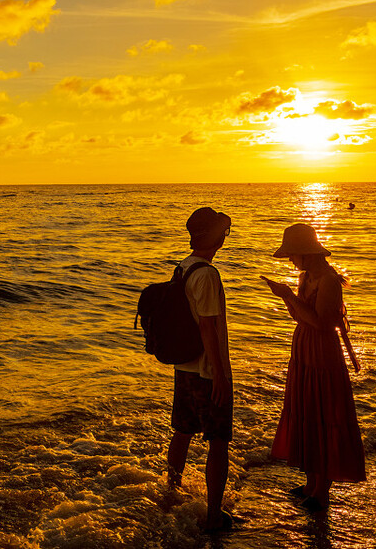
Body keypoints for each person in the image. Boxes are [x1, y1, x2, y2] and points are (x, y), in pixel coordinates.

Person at [264, 223, 366, 512]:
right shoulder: (305, 276)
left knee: (323, 415)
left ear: (306, 253)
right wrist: (287, 297)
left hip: (322, 352)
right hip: (303, 347)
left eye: (292, 255)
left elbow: (322, 322)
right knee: (305, 410)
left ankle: (321, 491)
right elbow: (299, 317)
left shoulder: (329, 281)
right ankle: (310, 484)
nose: (291, 261)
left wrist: (288, 296)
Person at [166, 206, 235, 531]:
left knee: (183, 431)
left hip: (185, 367)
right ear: (215, 238)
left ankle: (171, 492)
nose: (225, 237)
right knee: (218, 441)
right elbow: (208, 326)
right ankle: (212, 516)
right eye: (224, 231)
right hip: (207, 371)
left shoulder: (184, 267)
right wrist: (220, 375)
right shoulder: (207, 274)